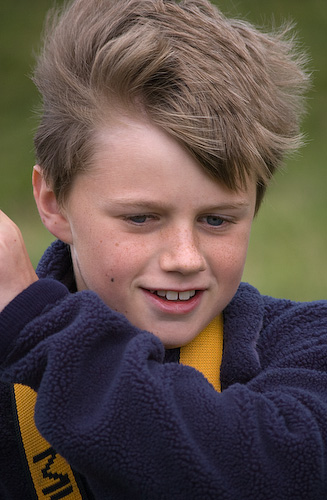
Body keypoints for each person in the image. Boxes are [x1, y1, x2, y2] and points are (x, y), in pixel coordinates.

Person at [0, 0, 326, 498]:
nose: (185, 258)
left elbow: (272, 470)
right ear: (54, 204)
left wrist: (30, 318)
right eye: (141, 218)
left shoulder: (306, 346)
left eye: (216, 220)